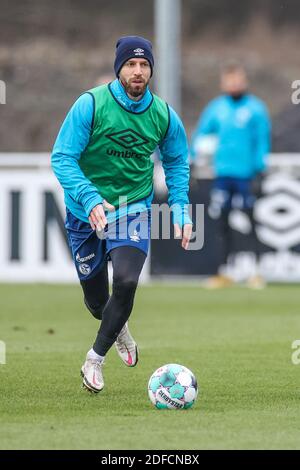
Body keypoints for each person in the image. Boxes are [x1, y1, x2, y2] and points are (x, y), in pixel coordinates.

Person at [51, 36, 192, 393]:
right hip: (85, 211)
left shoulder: (162, 114)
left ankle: (94, 359)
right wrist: (90, 197)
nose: (138, 71)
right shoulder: (90, 105)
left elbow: (176, 161)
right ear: (119, 69)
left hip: (133, 207)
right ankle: (119, 330)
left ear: (151, 71)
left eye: (144, 65)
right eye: (131, 64)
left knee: (127, 282)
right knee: (98, 301)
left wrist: (180, 208)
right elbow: (62, 158)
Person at [190, 62, 271, 289]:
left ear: (244, 81)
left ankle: (256, 271)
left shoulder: (256, 108)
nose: (234, 84)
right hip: (223, 174)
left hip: (246, 175)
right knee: (221, 222)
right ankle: (224, 271)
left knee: (251, 221)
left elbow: (262, 140)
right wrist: (192, 157)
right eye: (230, 80)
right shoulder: (216, 108)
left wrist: (260, 169)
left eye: (238, 79)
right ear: (223, 83)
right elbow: (201, 135)